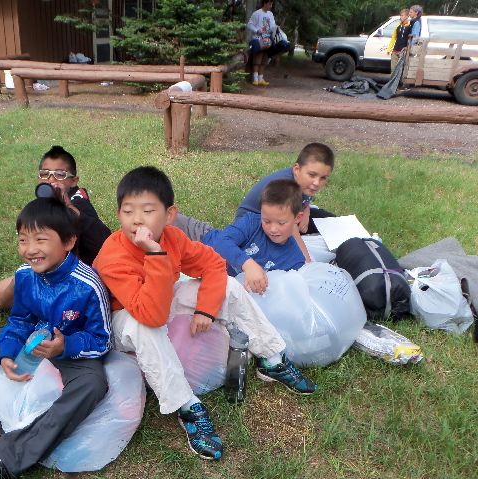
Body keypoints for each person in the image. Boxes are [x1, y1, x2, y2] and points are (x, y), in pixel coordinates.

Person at [92, 167, 317, 459]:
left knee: (228, 286)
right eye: (127, 211)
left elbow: (213, 264)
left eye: (147, 211)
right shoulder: (114, 256)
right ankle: (187, 405)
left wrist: (206, 309)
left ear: (170, 215)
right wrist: (154, 253)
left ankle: (271, 357)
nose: (137, 220)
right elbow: (150, 315)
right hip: (122, 319)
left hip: (159, 298)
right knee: (143, 327)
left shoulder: (173, 237)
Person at [0, 194, 111, 479]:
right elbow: (19, 320)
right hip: (33, 342)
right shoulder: (25, 276)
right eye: (23, 240)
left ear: (68, 241)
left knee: (92, 384)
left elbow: (102, 340)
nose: (30, 249)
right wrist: (7, 351)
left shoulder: (88, 285)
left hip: (70, 353)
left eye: (40, 240)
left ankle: (12, 454)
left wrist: (65, 346)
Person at [0, 145, 111, 318]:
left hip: (81, 277)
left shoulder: (78, 202)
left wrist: (70, 207)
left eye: (60, 175)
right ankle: (24, 303)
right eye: (45, 174)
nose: (51, 180)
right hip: (54, 269)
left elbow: (104, 239)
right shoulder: (46, 204)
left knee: (18, 283)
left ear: (73, 181)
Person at [175, 143, 335, 262]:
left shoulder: (303, 184)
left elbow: (303, 200)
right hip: (252, 220)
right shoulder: (285, 187)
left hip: (276, 218)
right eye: (312, 175)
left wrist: (306, 209)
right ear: (296, 170)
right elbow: (291, 227)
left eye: (323, 178)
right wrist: (307, 262)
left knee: (323, 218)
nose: (316, 183)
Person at [204, 179, 305, 293]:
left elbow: (284, 294)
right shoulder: (252, 222)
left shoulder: (295, 261)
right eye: (266, 221)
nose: (273, 229)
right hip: (202, 251)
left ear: (297, 218)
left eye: (281, 223)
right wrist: (247, 264)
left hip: (228, 290)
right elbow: (219, 241)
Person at [246, 0, 290, 86]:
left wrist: (276, 28)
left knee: (264, 60)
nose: (271, 6)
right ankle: (255, 79)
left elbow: (272, 26)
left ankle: (261, 79)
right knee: (257, 60)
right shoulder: (257, 13)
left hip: (269, 40)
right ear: (265, 3)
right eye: (270, 4)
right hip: (258, 40)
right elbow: (249, 24)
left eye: (272, 4)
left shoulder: (270, 14)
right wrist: (257, 30)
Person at [387, 9, 411, 74]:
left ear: (407, 16)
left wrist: (407, 48)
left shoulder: (410, 26)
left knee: (401, 70)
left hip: (403, 51)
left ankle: (399, 80)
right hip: (395, 50)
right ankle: (392, 80)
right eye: (400, 15)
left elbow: (411, 39)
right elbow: (393, 38)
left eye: (402, 15)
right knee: (393, 69)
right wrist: (389, 49)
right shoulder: (398, 25)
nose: (401, 17)